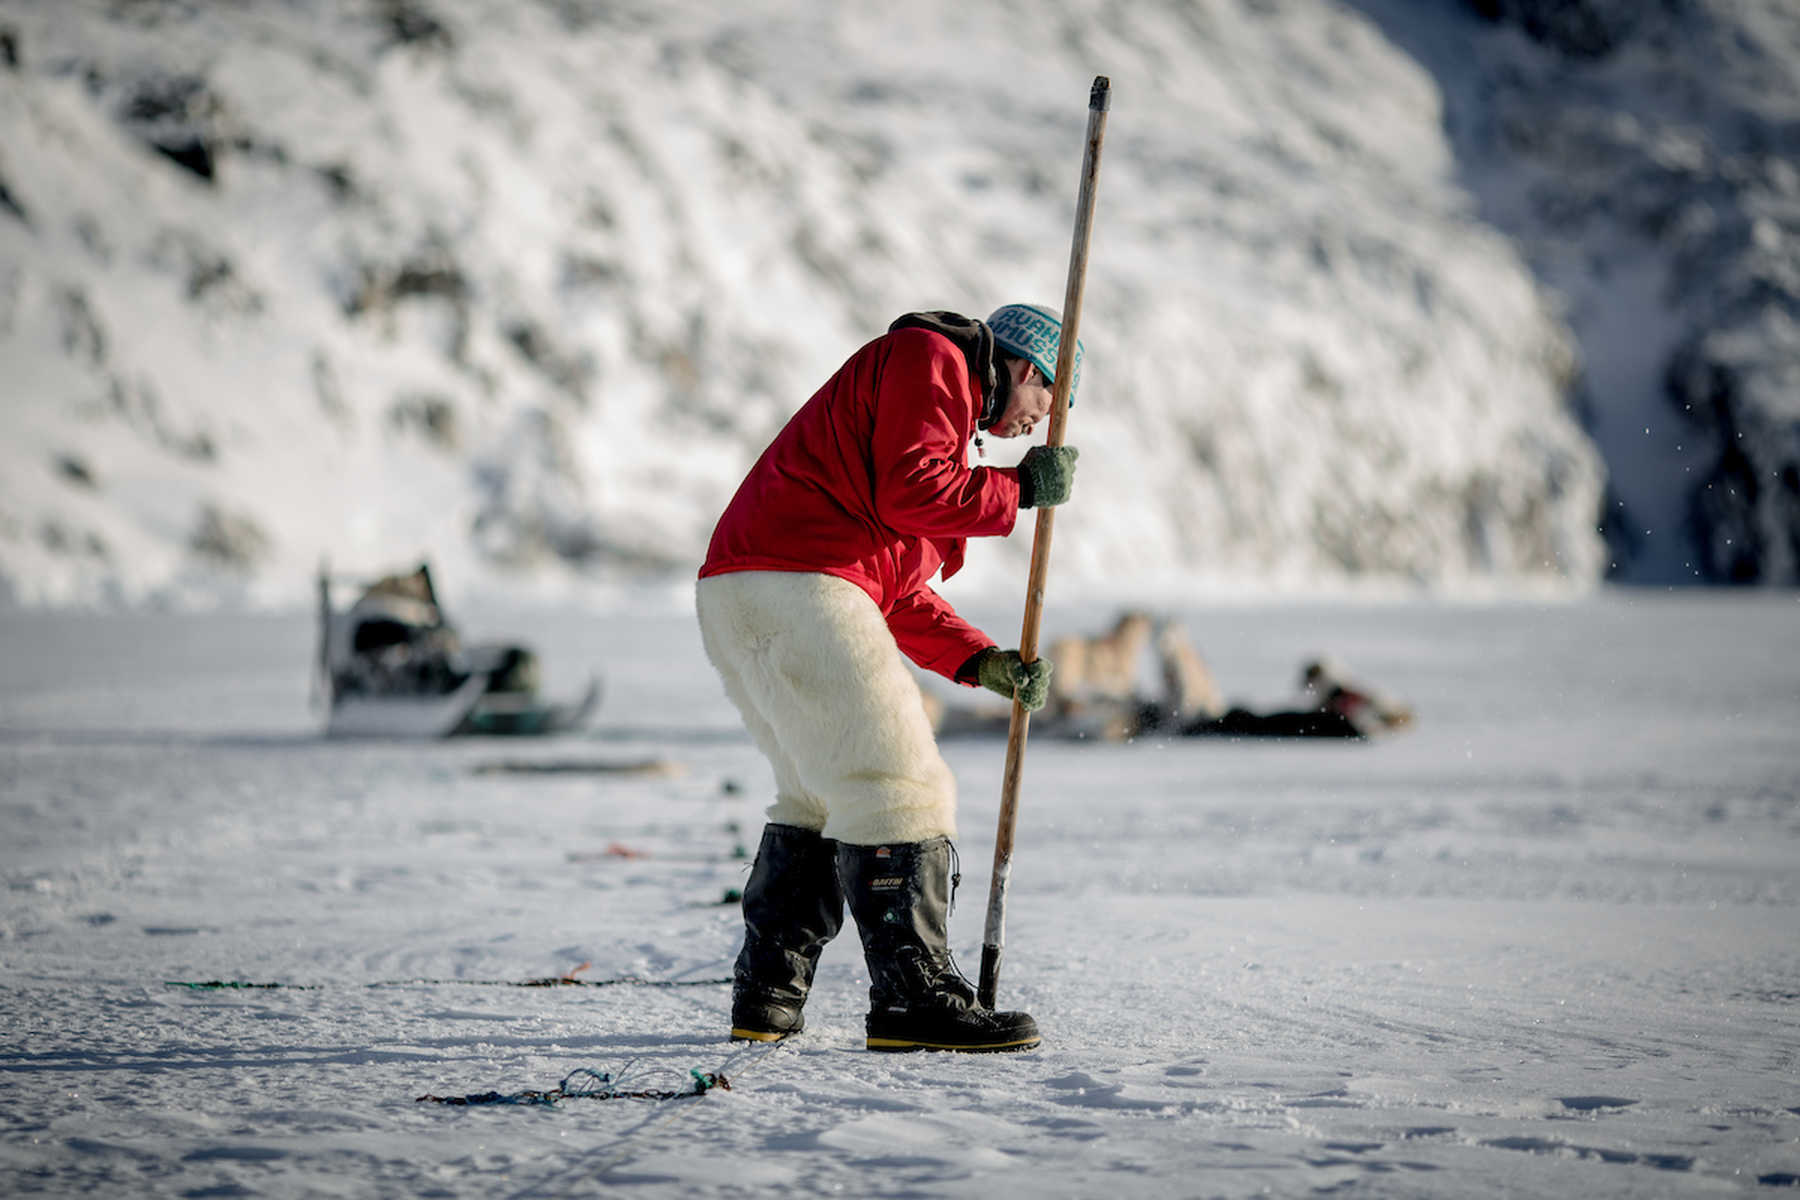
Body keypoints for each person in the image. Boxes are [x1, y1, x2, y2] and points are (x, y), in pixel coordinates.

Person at [696, 304, 1082, 1053]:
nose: (1045, 421)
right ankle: (914, 1000)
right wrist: (1018, 491)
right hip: (800, 583)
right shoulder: (933, 357)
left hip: (748, 589)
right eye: (1054, 400)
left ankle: (767, 994)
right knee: (901, 786)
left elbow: (896, 593)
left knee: (817, 794)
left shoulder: (932, 415)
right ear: (1029, 368)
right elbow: (912, 494)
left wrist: (981, 661)